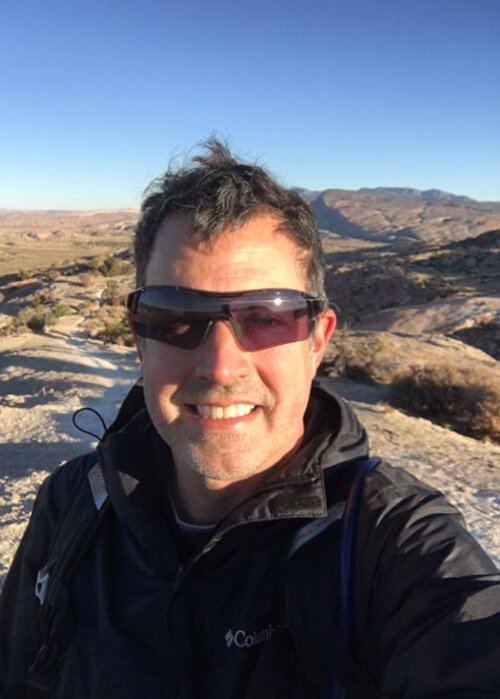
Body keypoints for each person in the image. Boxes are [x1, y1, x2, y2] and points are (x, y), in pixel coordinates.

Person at [1, 139, 499, 699]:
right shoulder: (73, 504)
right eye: (176, 316)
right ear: (139, 337)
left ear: (318, 341)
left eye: (265, 318)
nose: (219, 366)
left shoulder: (391, 544)